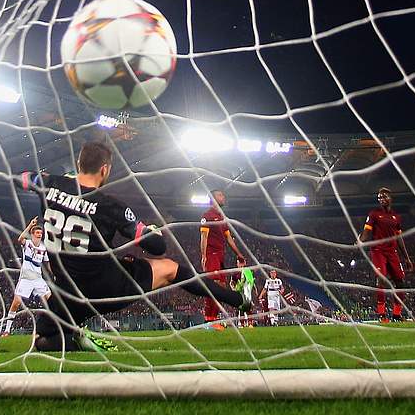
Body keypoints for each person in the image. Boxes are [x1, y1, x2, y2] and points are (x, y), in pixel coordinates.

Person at [20, 141, 256, 352]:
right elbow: (157, 246)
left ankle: (74, 337)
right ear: (105, 169)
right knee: (170, 268)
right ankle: (238, 300)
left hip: (67, 291)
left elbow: (25, 177)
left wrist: (48, 181)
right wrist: (151, 230)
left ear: (78, 163)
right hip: (106, 289)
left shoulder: (50, 185)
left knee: (42, 340)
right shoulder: (109, 205)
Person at [361, 187, 413, 322]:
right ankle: (382, 315)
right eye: (379, 198)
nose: (382, 199)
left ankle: (396, 315)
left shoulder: (396, 217)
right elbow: (367, 231)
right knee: (382, 280)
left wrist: (406, 258)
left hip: (392, 252)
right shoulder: (374, 214)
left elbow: (399, 238)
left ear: (390, 198)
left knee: (400, 283)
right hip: (378, 251)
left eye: (384, 197)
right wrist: (360, 241)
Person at [200, 189, 244, 329]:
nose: (223, 197)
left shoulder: (221, 217)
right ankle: (209, 321)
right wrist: (203, 256)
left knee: (222, 287)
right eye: (220, 195)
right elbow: (204, 238)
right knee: (213, 286)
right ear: (213, 199)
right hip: (211, 254)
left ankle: (214, 319)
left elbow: (228, 238)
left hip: (220, 255)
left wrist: (238, 253)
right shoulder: (207, 216)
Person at [0, 218, 51, 336]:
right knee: (16, 302)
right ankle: (7, 329)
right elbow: (20, 239)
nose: (39, 235)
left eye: (41, 233)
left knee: (51, 300)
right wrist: (29, 226)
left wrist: (54, 274)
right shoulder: (27, 244)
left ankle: (52, 328)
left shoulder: (43, 248)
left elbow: (47, 264)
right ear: (32, 234)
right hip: (26, 278)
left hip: (38, 279)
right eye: (37, 233)